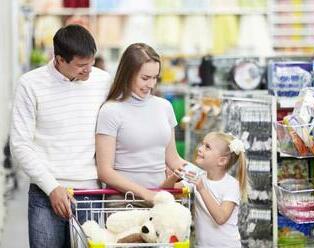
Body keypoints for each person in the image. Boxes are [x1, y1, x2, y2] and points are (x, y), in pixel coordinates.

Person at [10, 24, 111, 248]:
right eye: (81, 65)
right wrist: (52, 187)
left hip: (91, 193)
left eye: (91, 62)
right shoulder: (30, 84)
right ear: (59, 60)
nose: (89, 70)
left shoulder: (103, 82)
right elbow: (20, 145)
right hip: (46, 194)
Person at [96, 43, 186, 203]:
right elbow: (105, 172)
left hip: (160, 198)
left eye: (155, 78)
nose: (151, 84)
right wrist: (146, 194)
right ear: (127, 74)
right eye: (145, 78)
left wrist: (201, 173)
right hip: (123, 202)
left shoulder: (164, 107)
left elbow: (173, 159)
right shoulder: (110, 111)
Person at [162, 131, 248, 248]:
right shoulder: (198, 177)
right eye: (202, 144)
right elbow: (166, 191)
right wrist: (173, 177)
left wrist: (202, 189)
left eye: (207, 147)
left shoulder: (231, 185)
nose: (200, 148)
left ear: (222, 161)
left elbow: (221, 217)